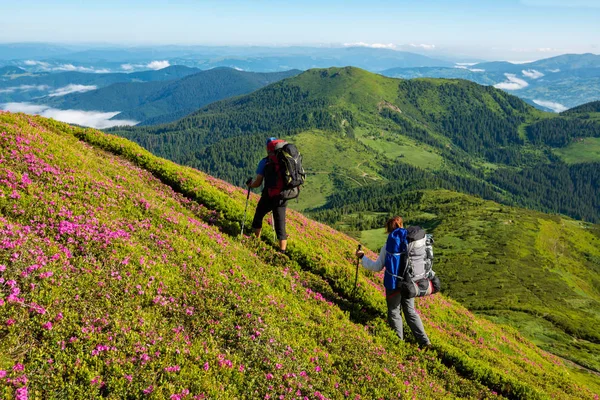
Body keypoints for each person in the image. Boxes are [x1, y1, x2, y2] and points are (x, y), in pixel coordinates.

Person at [355, 216, 431, 348]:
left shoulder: (388, 246)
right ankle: (425, 342)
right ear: (401, 225)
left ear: (388, 229)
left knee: (394, 312)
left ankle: (398, 343)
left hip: (394, 284)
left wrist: (362, 257)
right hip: (409, 284)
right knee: (410, 311)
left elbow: (377, 266)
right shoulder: (411, 243)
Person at [246, 137, 291, 252]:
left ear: (268, 148)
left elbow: (258, 182)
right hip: (283, 196)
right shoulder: (285, 161)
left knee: (259, 215)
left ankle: (256, 240)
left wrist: (251, 185)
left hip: (269, 195)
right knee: (280, 225)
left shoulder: (265, 162)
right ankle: (282, 252)